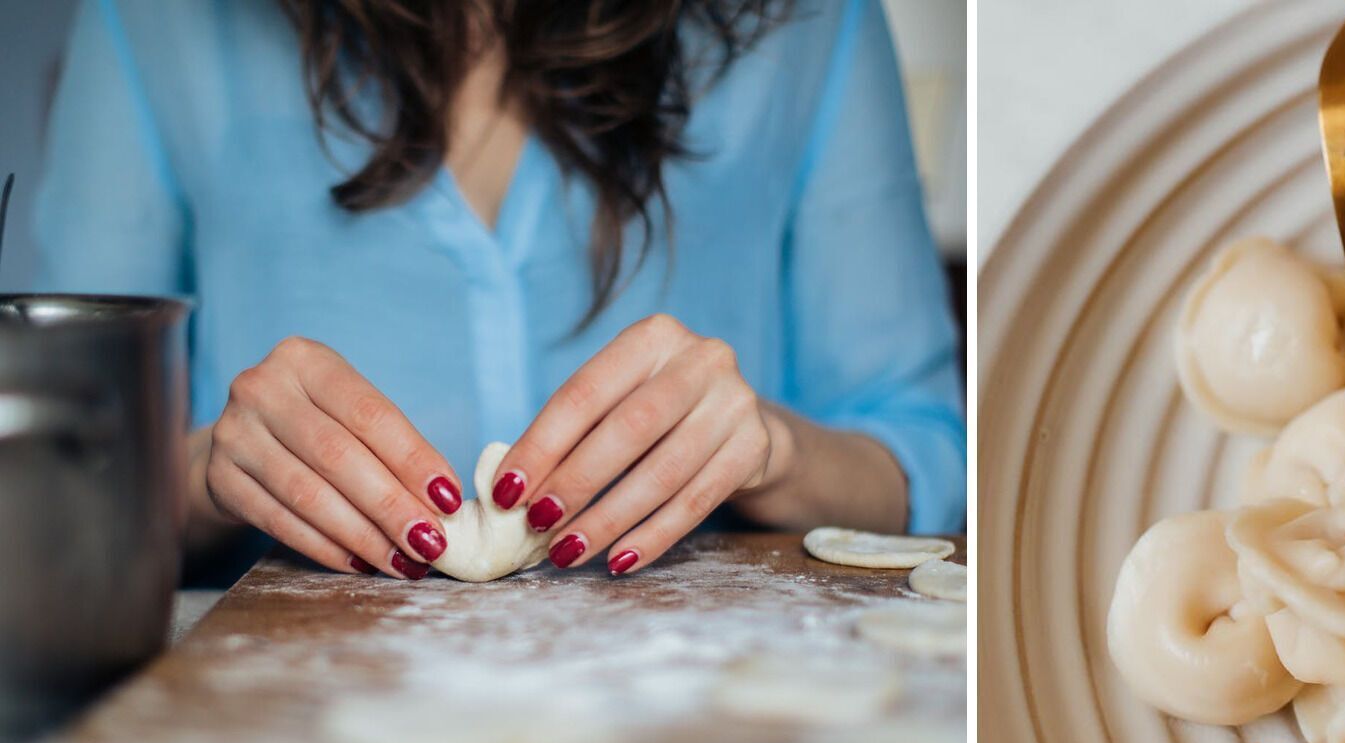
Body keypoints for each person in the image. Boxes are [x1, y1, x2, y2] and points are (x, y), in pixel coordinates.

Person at [33, 0, 965, 581]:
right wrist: (203, 476)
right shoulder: (150, 20)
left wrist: (777, 448)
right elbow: (45, 498)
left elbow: (929, 459)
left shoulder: (808, 22)